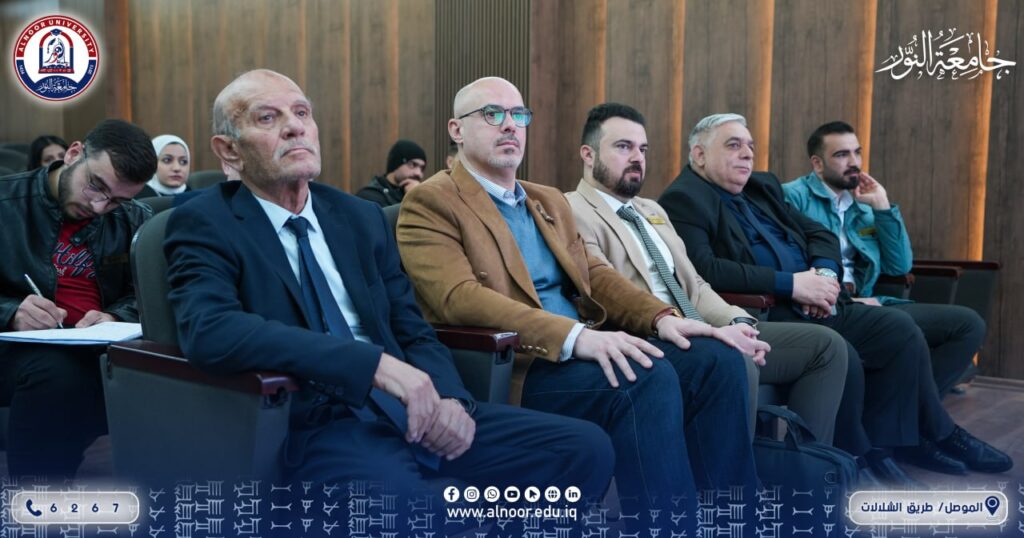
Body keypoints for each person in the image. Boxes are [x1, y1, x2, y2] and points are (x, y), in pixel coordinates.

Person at [163, 69, 613, 500]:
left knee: (582, 450)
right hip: (323, 421)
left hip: (411, 407)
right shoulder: (205, 221)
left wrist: (451, 400)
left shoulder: (357, 218)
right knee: (405, 502)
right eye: (267, 118)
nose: (295, 128)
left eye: (302, 113)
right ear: (229, 151)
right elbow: (211, 330)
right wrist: (370, 365)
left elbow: (411, 327)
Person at [397, 77, 757, 513]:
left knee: (715, 361)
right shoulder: (431, 201)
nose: (510, 125)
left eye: (519, 115)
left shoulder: (547, 199)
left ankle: (733, 517)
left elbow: (597, 277)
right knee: (643, 378)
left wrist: (662, 318)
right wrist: (574, 336)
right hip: (521, 364)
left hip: (584, 348)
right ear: (456, 130)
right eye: (493, 114)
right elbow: (459, 298)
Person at [658, 113, 1012, 480]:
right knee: (847, 354)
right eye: (733, 146)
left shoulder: (761, 186)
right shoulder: (684, 198)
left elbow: (820, 235)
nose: (747, 154)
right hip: (769, 310)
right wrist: (792, 285)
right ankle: (882, 450)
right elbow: (705, 269)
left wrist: (825, 277)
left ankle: (890, 445)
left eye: (750, 146)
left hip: (820, 299)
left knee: (899, 330)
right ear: (699, 155)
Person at [566, 103, 848, 444]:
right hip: (652, 332)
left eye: (643, 149)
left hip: (704, 324)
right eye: (623, 147)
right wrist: (706, 330)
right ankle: (737, 472)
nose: (637, 158)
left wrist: (737, 321)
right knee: (734, 360)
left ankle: (805, 466)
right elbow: (603, 290)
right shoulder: (570, 209)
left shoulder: (651, 209)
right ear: (588, 154)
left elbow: (695, 285)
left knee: (826, 347)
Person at [0, 119, 156, 479]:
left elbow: (148, 295)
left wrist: (115, 317)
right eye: (95, 186)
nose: (100, 207)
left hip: (94, 346)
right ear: (73, 154)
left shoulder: (134, 218)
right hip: (15, 346)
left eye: (116, 200)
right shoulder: (7, 203)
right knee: (59, 375)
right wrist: (9, 311)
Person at [783, 121, 985, 399]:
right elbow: (788, 263)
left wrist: (882, 206)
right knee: (909, 333)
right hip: (826, 308)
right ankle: (914, 413)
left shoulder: (862, 205)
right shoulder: (792, 197)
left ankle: (915, 410)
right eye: (842, 155)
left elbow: (898, 266)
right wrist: (847, 300)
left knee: (968, 325)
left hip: (870, 303)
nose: (854, 162)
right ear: (817, 164)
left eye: (857, 152)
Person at [355, 139, 427, 206]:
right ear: (396, 164)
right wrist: (413, 197)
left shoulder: (413, 192)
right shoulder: (369, 196)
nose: (418, 173)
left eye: (422, 168)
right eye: (412, 164)